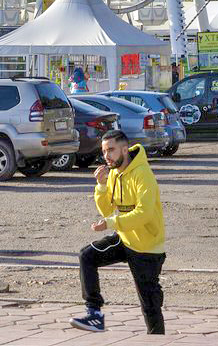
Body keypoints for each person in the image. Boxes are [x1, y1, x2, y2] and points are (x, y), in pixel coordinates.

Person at [72, 128, 167, 335]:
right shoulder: (113, 173)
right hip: (125, 239)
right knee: (87, 256)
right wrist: (101, 186)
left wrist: (110, 223)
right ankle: (94, 314)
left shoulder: (143, 175)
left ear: (124, 150)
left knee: (150, 306)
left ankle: (158, 338)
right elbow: (106, 209)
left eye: (111, 150)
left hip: (147, 246)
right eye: (104, 151)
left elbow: (144, 214)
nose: (106, 156)